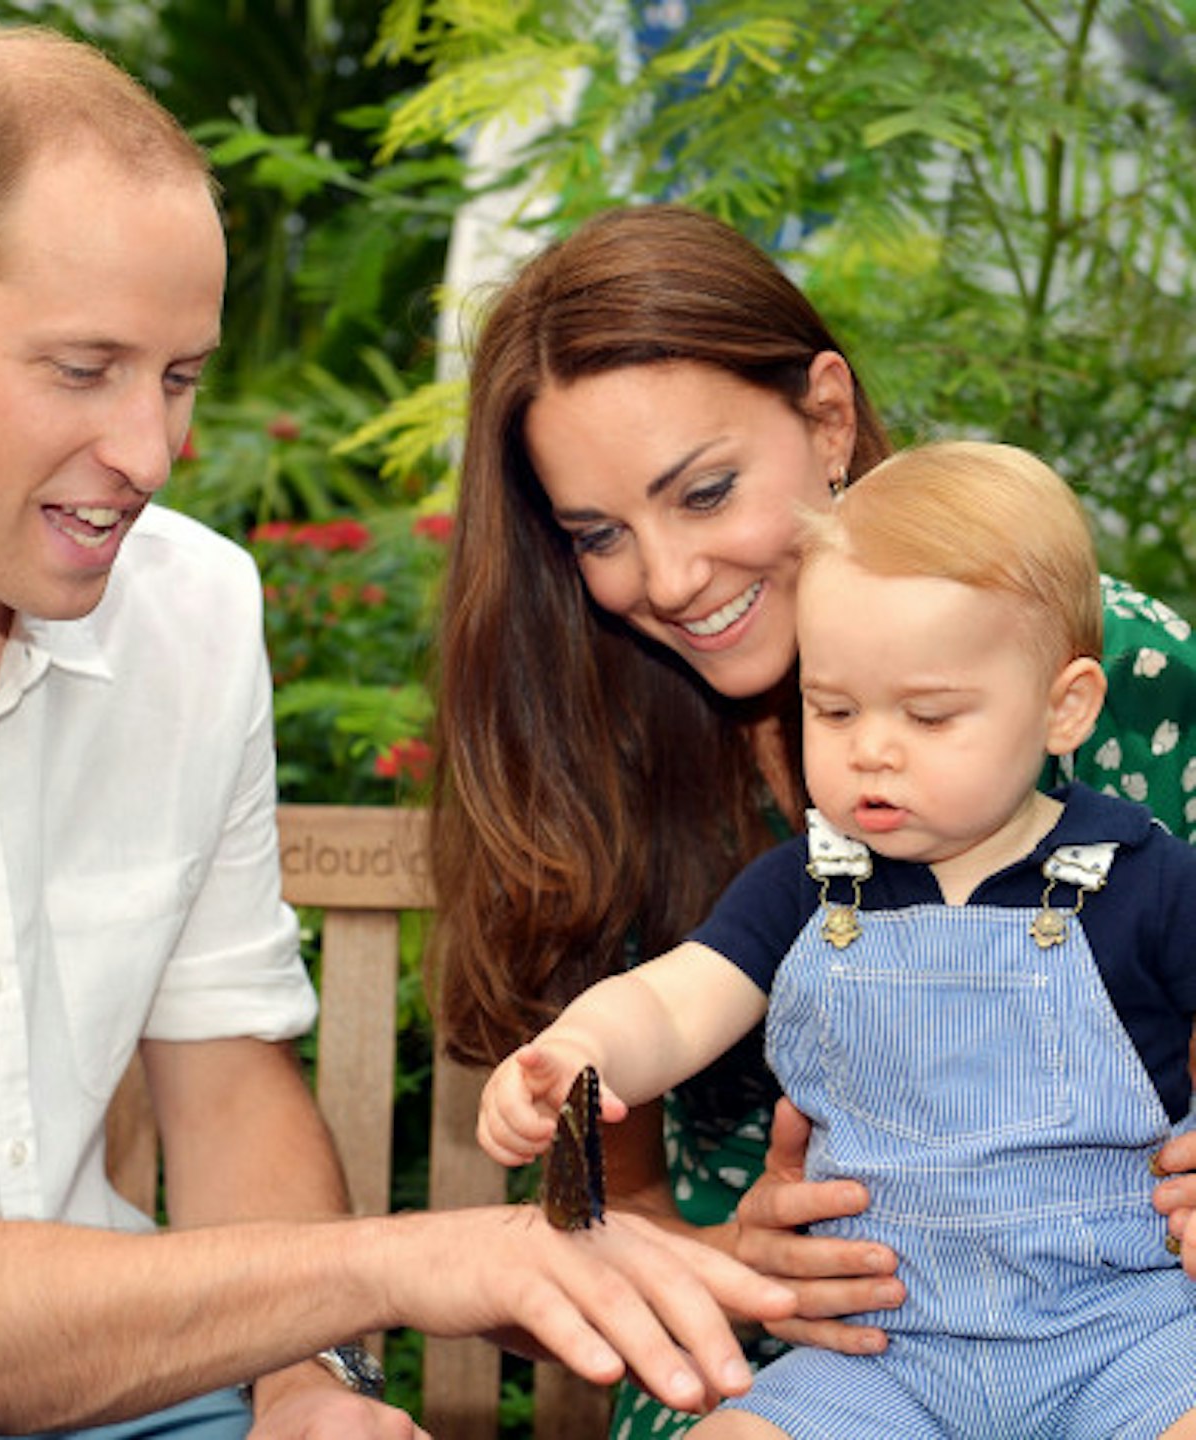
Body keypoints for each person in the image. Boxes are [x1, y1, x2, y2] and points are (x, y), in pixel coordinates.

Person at [0, 29, 801, 1439]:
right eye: (85, 370)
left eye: (180, 376)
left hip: (134, 1392)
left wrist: (317, 1383)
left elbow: (226, 1071)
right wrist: (390, 1265)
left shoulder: (187, 610)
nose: (152, 450)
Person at [428, 203, 1196, 1437]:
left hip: (1124, 1332)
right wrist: (721, 1259)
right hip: (832, 1366)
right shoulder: (634, 768)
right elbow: (654, 1047)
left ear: (827, 419)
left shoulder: (1072, 651)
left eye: (706, 491)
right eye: (599, 535)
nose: (669, 579)